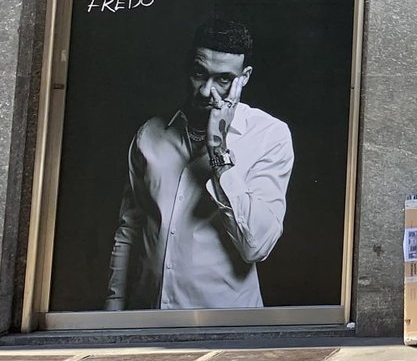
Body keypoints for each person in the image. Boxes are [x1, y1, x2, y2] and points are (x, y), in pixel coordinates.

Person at [106, 17, 294, 311]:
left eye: (223, 79)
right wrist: (113, 305)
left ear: (244, 77)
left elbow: (256, 246)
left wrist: (218, 149)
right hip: (145, 314)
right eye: (199, 74)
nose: (207, 91)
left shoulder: (270, 136)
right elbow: (130, 227)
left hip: (225, 320)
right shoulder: (150, 134)